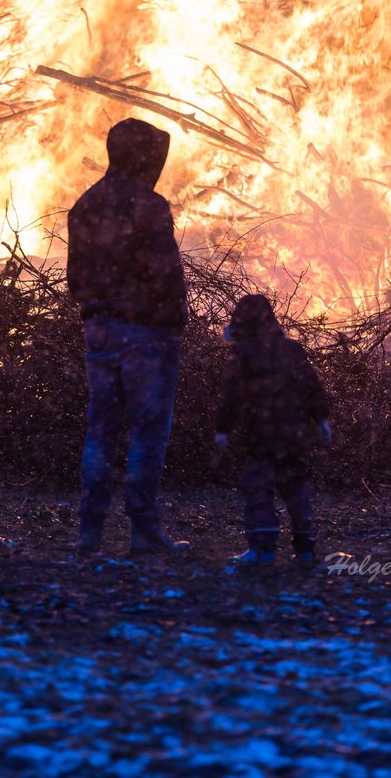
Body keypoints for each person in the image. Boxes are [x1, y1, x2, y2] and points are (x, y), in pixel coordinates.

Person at [66, 118, 189, 556]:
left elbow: (75, 280)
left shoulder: (84, 205)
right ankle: (144, 531)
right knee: (147, 432)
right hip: (147, 335)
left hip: (98, 330)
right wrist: (174, 321)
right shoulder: (148, 205)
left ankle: (89, 533)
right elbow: (164, 275)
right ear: (143, 157)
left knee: (100, 431)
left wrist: (102, 309)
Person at [213, 294, 329, 566]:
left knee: (257, 489)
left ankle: (262, 550)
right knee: (295, 488)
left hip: (261, 436)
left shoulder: (242, 353)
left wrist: (222, 429)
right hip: (294, 433)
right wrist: (322, 419)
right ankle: (305, 549)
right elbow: (313, 386)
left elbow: (232, 396)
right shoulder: (293, 350)